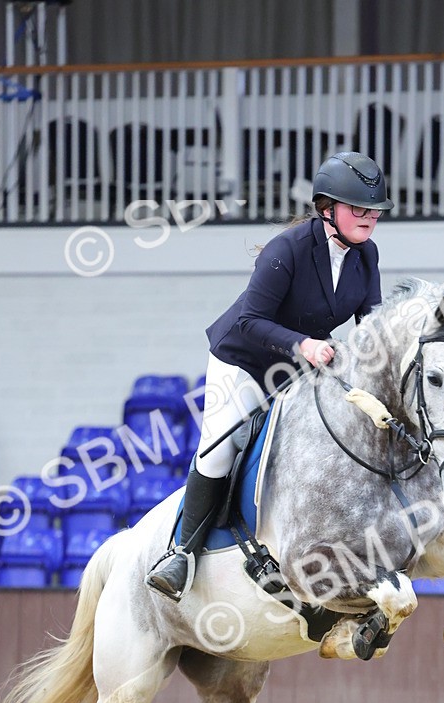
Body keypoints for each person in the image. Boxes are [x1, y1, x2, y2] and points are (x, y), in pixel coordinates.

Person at [146, 150, 393, 601]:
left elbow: (371, 327)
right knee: (219, 449)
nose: (369, 218)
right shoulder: (289, 250)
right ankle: (180, 553)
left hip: (296, 370)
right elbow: (250, 321)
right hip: (242, 360)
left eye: (373, 210)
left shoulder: (366, 256)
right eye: (358, 208)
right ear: (327, 209)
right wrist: (304, 344)